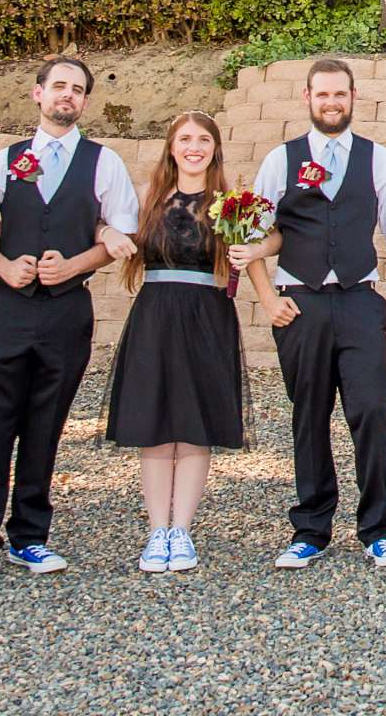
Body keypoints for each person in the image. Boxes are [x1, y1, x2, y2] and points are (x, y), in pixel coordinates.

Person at [0, 57, 141, 584]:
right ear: (37, 94)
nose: (67, 96)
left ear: (84, 101)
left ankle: (30, 537)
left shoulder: (104, 164)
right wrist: (1, 264)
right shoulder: (1, 162)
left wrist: (75, 265)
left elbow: (120, 233)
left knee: (45, 425)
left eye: (77, 90)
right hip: (4, 308)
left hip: (66, 310)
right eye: (59, 86)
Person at [233, 58, 386, 570]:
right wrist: (268, 300)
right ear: (307, 98)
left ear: (353, 97)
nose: (331, 102)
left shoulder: (376, 158)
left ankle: (379, 528)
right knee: (309, 416)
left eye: (339, 94)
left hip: (360, 301)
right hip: (300, 304)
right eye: (322, 95)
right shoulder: (282, 159)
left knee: (370, 410)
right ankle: (311, 529)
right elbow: (251, 237)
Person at [103, 111, 249, 575]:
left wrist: (252, 249)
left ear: (214, 149)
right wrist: (105, 232)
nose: (194, 146)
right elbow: (106, 226)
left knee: (193, 424)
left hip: (207, 316)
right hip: (156, 314)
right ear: (171, 146)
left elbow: (256, 248)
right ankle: (156, 530)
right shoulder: (149, 199)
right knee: (156, 424)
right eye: (185, 138)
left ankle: (182, 530)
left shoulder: (229, 203)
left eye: (203, 139)